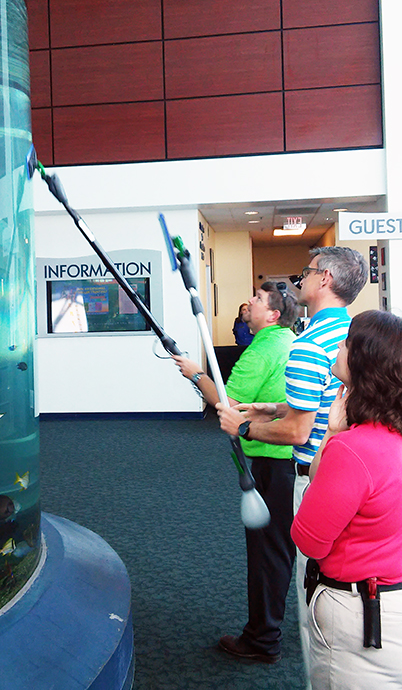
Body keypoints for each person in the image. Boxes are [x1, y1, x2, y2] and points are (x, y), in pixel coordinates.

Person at [216, 246, 368, 683]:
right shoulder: (355, 333)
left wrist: (242, 428)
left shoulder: (307, 344)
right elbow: (319, 407)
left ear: (324, 281)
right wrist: (272, 408)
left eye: (307, 272)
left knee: (313, 597)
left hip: (313, 477)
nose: (299, 279)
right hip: (352, 475)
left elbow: (299, 435)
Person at [174, 281, 299, 663]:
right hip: (288, 461)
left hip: (269, 461)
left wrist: (196, 375)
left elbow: (231, 406)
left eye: (259, 300)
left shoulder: (261, 350)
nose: (250, 302)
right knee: (278, 548)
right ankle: (270, 626)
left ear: (273, 315)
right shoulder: (289, 340)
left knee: (265, 554)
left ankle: (261, 640)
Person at [291, 310, 402, 689]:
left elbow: (309, 539)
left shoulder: (353, 451)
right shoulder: (390, 437)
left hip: (360, 619)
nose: (337, 347)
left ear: (363, 361)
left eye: (345, 342)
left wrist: (330, 439)